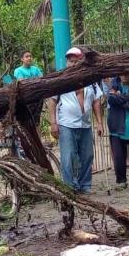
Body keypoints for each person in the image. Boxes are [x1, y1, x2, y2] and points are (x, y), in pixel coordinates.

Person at [48, 47, 104, 193]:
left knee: (87, 156)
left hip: (85, 124)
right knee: (69, 156)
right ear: (67, 62)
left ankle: (85, 185)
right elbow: (52, 101)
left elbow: (96, 101)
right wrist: (53, 123)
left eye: (76, 61)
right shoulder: (60, 79)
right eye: (70, 61)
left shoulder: (90, 80)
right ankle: (70, 187)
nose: (73, 64)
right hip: (66, 124)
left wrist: (99, 123)